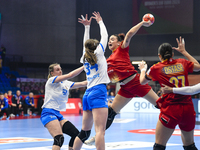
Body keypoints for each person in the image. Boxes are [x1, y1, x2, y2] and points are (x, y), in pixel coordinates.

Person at [85, 15, 159, 145]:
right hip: (125, 88)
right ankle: (97, 135)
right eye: (109, 40)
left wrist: (142, 22)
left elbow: (130, 34)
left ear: (119, 42)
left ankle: (181, 121)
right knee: (111, 112)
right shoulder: (106, 60)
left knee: (161, 105)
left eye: (112, 39)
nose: (109, 41)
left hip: (137, 83)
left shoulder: (122, 49)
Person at [138, 37, 200, 150]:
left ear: (159, 56)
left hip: (170, 110)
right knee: (190, 145)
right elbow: (198, 66)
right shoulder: (182, 62)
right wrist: (184, 52)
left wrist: (143, 69)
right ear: (172, 54)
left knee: (159, 146)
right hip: (188, 109)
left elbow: (142, 82)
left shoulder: (156, 68)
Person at [73, 11, 109, 150]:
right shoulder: (99, 54)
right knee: (100, 131)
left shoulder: (84, 57)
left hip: (87, 94)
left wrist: (87, 27)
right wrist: (100, 21)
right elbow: (105, 36)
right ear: (97, 46)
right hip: (98, 91)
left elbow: (85, 45)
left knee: (84, 131)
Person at [40, 63, 87, 150]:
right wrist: (85, 66)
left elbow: (83, 83)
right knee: (59, 138)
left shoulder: (65, 83)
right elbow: (70, 75)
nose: (60, 71)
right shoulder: (51, 81)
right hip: (48, 112)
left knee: (76, 134)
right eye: (57, 70)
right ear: (52, 73)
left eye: (60, 69)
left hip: (58, 114)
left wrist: (98, 80)